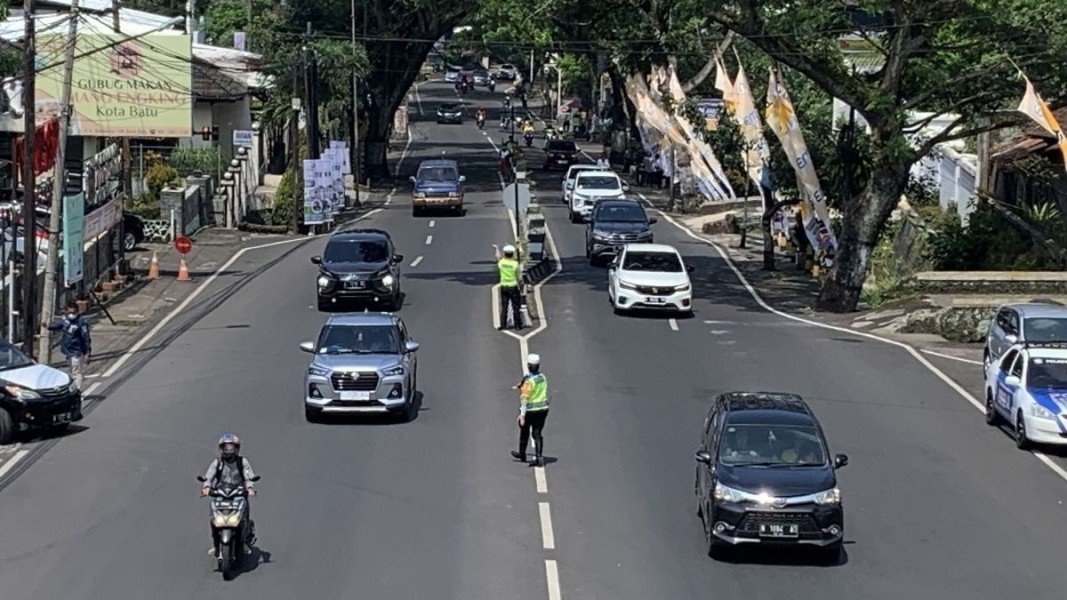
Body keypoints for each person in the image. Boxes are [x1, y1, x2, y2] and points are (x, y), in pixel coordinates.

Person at [201, 433, 258, 554]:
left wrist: (250, 488)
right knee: (213, 517)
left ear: (237, 449)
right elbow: (208, 476)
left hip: (238, 494)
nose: (229, 451)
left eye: (232, 447)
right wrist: (206, 487)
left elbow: (249, 477)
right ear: (221, 449)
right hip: (220, 494)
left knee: (244, 514)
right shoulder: (217, 463)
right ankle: (216, 544)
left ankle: (243, 543)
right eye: (226, 448)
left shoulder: (242, 462)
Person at [511, 353, 549, 466]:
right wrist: (519, 385)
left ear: (528, 365)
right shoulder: (542, 377)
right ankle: (539, 456)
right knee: (537, 433)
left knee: (524, 430)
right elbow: (528, 382)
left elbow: (524, 398)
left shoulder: (529, 381)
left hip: (531, 410)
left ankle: (522, 454)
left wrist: (522, 414)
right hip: (543, 409)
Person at [48, 301, 91, 391]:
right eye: (70, 312)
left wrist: (87, 353)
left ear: (77, 312)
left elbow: (86, 338)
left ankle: (78, 391)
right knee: (72, 372)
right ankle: (73, 389)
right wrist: (47, 325)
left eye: (73, 312)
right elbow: (57, 325)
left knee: (76, 373)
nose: (71, 314)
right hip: (68, 351)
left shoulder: (81, 323)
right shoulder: (65, 320)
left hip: (77, 351)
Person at [492, 243, 523, 330]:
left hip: (504, 287)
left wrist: (497, 248)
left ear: (505, 253)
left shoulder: (501, 263)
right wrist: (521, 287)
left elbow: (497, 257)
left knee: (504, 306)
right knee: (516, 306)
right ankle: (517, 326)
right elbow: (520, 278)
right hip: (513, 287)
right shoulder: (515, 264)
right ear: (512, 254)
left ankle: (503, 325)